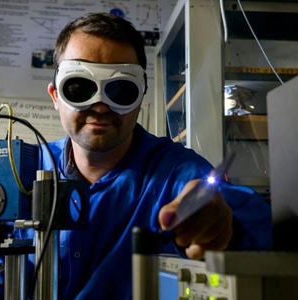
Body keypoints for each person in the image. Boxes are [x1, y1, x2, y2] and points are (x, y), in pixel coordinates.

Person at [33, 12, 273, 300]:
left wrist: (227, 228)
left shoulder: (177, 173)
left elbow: (258, 228)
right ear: (55, 96)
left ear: (140, 97)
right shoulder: (25, 171)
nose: (99, 106)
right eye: (79, 88)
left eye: (120, 90)